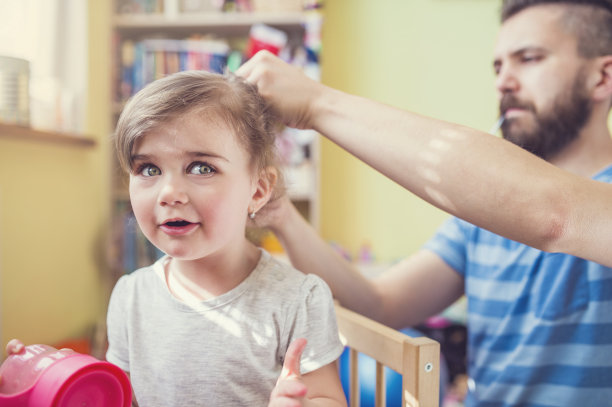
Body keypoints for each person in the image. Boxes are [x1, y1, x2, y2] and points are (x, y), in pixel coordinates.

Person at [237, 0, 612, 406]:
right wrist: (282, 216)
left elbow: (553, 214)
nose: (504, 82)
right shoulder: (479, 221)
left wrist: (316, 103)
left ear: (602, 77)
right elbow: (379, 305)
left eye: (529, 58)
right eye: (498, 67)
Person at [106, 70, 346, 407]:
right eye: (149, 169)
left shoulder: (299, 299)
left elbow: (327, 398)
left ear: (258, 190)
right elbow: (117, 397)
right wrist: (47, 379)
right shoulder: (130, 297)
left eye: (201, 168)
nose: (169, 193)